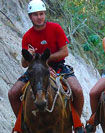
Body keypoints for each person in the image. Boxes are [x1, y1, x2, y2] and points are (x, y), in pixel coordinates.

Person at [8, 0, 84, 132]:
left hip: (57, 66)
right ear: (30, 17)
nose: (39, 17)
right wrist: (29, 56)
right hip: (36, 69)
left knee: (77, 90)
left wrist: (46, 58)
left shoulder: (55, 28)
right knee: (13, 93)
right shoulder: (27, 36)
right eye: (35, 15)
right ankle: (21, 124)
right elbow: (24, 63)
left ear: (45, 14)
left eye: (41, 14)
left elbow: (64, 51)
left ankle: (77, 123)